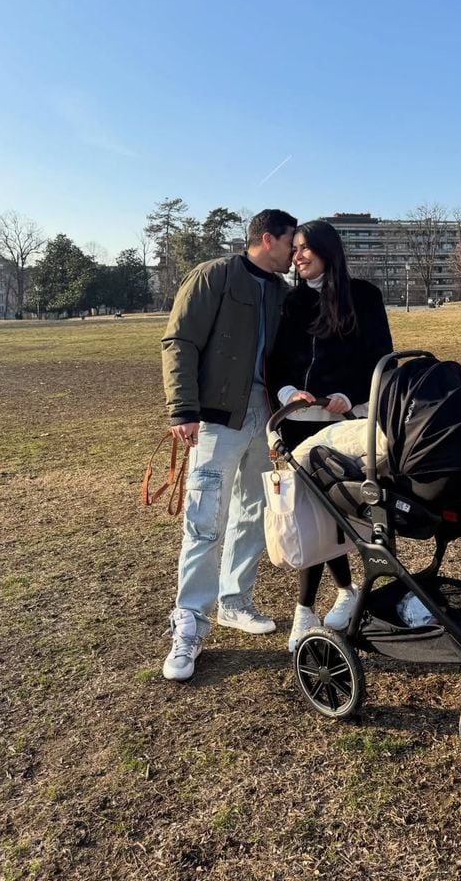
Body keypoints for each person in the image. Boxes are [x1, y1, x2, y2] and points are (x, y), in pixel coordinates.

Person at [161, 209, 298, 681]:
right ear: (267, 239)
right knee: (204, 521)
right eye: (289, 244)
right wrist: (183, 409)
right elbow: (179, 340)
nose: (294, 254)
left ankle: (234, 601)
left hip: (267, 418)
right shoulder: (213, 276)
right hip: (216, 419)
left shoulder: (282, 292)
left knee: (255, 512)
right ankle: (190, 624)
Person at [267, 219, 393, 651]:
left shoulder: (365, 297)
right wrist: (289, 393)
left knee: (341, 514)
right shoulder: (291, 303)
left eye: (305, 248)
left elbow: (381, 361)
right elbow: (277, 364)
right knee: (310, 516)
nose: (296, 256)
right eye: (294, 249)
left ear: (327, 250)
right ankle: (307, 609)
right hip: (298, 424)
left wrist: (346, 396)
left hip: (344, 425)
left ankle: (347, 594)